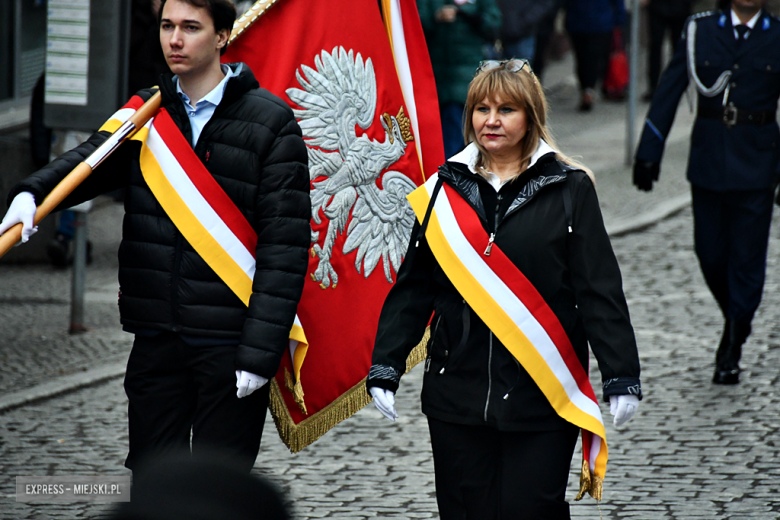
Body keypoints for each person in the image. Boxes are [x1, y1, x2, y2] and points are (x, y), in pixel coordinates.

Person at [0, 0, 310, 472]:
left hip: (229, 342)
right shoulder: (147, 111)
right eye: (167, 26)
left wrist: (261, 352)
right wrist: (32, 193)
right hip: (156, 336)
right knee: (150, 481)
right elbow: (87, 162)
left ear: (223, 36)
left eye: (190, 27)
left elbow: (284, 249)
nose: (175, 40)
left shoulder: (271, 123)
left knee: (217, 493)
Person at [366, 59, 642, 519]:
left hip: (543, 389)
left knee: (531, 509)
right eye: (481, 108)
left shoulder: (570, 188)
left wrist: (621, 374)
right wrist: (385, 365)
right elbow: (414, 289)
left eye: (506, 109)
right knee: (465, 510)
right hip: (456, 391)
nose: (491, 120)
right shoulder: (441, 191)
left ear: (531, 117)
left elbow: (598, 289)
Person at [633, 0, 780, 385]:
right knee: (709, 253)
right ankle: (737, 317)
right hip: (709, 161)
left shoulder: (776, 36)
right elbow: (670, 87)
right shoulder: (701, 30)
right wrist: (650, 150)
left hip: (758, 164)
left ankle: (732, 343)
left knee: (747, 260)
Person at [417, 0, 502, 159]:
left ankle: (452, 172)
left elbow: (493, 21)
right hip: (435, 74)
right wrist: (436, 18)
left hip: (467, 74)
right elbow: (414, 23)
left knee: (457, 130)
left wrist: (466, 15)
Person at [564, 0, 626, 111]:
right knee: (582, 59)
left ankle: (589, 90)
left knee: (595, 58)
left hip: (601, 23)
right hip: (579, 23)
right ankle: (586, 89)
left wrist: (619, 20)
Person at [643, 0, 693, 101]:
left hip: (680, 9)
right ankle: (654, 86)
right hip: (658, 8)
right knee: (655, 48)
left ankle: (675, 86)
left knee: (678, 50)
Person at [492, 0, 558, 64]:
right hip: (493, 35)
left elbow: (544, 3)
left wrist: (524, 21)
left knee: (519, 71)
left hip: (522, 35)